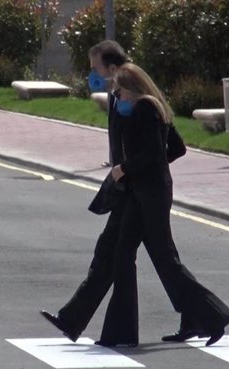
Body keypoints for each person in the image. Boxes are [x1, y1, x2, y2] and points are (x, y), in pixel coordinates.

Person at [100, 63, 229, 347]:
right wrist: (153, 168)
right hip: (145, 192)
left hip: (150, 194)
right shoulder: (153, 108)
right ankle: (122, 332)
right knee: (124, 254)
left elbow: (152, 151)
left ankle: (213, 315)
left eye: (121, 93)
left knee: (165, 260)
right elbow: (175, 148)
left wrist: (126, 168)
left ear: (134, 89)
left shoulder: (146, 109)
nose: (118, 99)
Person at [39, 40, 135, 343]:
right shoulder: (119, 95)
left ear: (112, 67)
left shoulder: (134, 96)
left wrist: (128, 168)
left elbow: (160, 144)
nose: (92, 74)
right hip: (126, 189)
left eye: (96, 68)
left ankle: (206, 315)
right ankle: (73, 321)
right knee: (110, 256)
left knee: (162, 264)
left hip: (140, 192)